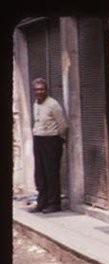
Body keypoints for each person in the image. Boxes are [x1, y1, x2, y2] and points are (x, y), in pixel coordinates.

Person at [29, 77, 68, 214]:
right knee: (40, 173)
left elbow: (62, 125)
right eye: (36, 90)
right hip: (38, 140)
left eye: (41, 89)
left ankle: (54, 204)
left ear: (46, 90)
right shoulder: (36, 103)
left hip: (51, 141)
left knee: (51, 173)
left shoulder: (53, 104)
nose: (39, 92)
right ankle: (42, 202)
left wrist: (58, 139)